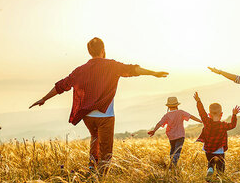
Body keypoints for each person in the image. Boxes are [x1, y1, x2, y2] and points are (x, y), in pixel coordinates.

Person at [29, 37, 168, 174]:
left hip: (87, 116)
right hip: (105, 116)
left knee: (95, 139)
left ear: (89, 51)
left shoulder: (80, 70)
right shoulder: (112, 66)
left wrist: (44, 99)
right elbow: (133, 70)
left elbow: (62, 85)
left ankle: (91, 169)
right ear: (103, 50)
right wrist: (153, 73)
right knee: (106, 150)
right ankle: (101, 179)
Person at [193, 91, 240, 177]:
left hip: (208, 149)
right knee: (220, 166)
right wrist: (234, 115)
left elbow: (201, 112)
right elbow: (233, 125)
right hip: (219, 150)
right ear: (221, 114)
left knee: (210, 162)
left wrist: (198, 101)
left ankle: (210, 168)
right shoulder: (223, 125)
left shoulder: (207, 122)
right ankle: (219, 177)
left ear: (209, 114)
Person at [148, 97, 202, 167]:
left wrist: (154, 131)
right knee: (177, 151)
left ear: (168, 106)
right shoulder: (181, 112)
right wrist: (201, 121)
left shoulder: (166, 115)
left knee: (172, 150)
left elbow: (159, 123)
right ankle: (173, 165)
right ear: (177, 105)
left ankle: (171, 166)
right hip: (180, 135)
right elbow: (191, 116)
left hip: (171, 136)